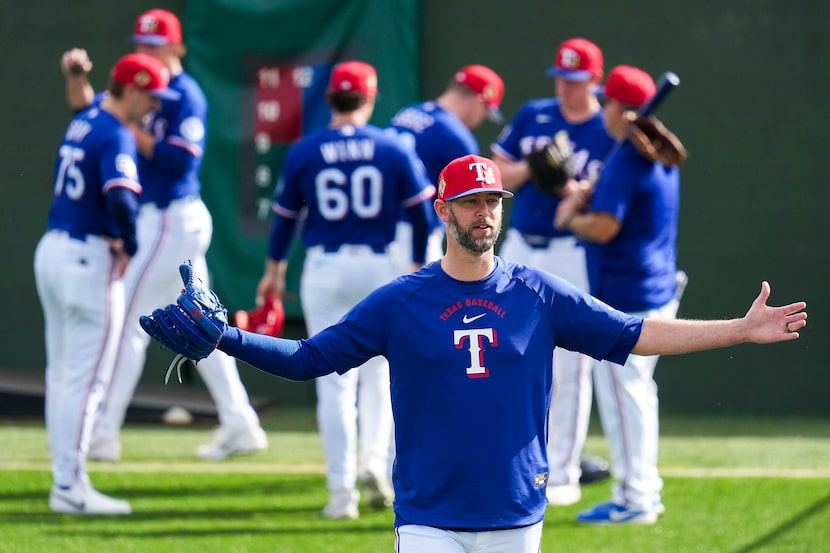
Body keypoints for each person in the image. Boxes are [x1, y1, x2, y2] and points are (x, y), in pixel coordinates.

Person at [142, 153, 807, 552]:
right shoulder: (400, 300)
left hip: (516, 509)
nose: (484, 212)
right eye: (470, 201)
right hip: (430, 513)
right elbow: (313, 358)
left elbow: (634, 333)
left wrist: (737, 329)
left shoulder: (537, 293)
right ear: (443, 210)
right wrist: (227, 337)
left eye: (493, 200)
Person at [60, 9, 268, 462]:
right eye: (141, 44)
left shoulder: (183, 93)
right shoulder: (136, 88)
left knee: (130, 319)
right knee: (202, 324)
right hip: (163, 218)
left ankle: (102, 432)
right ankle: (240, 422)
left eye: (155, 45)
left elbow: (178, 160)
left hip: (170, 216)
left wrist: (125, 127)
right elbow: (86, 106)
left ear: (178, 48)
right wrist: (79, 79)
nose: (146, 51)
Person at [255, 60, 435, 519]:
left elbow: (283, 219)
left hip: (326, 267)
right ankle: (375, 463)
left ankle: (341, 493)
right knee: (379, 375)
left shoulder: (305, 150)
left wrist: (274, 270)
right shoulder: (390, 146)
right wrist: (415, 261)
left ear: (331, 98)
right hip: (378, 266)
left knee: (333, 382)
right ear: (369, 98)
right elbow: (423, 213)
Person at [36, 53, 177, 514]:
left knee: (62, 377)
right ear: (132, 89)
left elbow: (81, 100)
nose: (154, 106)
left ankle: (64, 478)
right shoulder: (115, 131)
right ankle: (70, 486)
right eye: (151, 95)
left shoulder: (87, 120)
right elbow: (120, 197)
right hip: (88, 258)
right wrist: (131, 245)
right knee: (86, 381)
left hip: (55, 248)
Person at [554, 64, 684, 524]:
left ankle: (636, 498)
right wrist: (592, 193)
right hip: (651, 290)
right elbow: (616, 206)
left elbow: (606, 228)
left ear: (620, 109)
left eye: (608, 101)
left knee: (625, 398)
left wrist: (571, 218)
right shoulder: (652, 150)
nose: (603, 109)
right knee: (634, 395)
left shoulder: (630, 158)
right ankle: (643, 490)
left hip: (628, 297)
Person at [490, 37, 615, 506]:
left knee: (570, 365)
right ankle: (507, 459)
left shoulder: (609, 127)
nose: (565, 88)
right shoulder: (535, 114)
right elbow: (498, 174)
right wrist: (534, 166)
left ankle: (561, 470)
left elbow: (606, 198)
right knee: (502, 350)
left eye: (575, 80)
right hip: (523, 245)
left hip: (573, 250)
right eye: (561, 78)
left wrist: (569, 185)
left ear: (594, 81)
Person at [387, 64, 505, 272]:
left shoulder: (408, 112)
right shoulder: (457, 136)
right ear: (479, 101)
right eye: (485, 111)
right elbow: (465, 202)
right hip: (414, 235)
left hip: (378, 229)